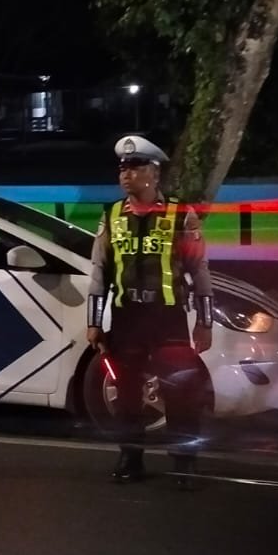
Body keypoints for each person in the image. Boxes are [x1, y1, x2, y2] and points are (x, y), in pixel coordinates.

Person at [85, 134, 214, 487]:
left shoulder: (180, 214)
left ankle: (184, 464)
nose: (126, 175)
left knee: (181, 393)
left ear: (154, 173)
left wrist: (204, 322)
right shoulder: (112, 215)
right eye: (122, 169)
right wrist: (94, 322)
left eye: (135, 167)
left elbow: (200, 271)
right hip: (127, 318)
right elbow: (99, 271)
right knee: (127, 393)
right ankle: (130, 458)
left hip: (168, 318)